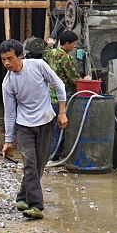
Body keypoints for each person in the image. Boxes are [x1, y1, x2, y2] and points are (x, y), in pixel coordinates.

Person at [0, 39, 68, 219]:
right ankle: (36, 205)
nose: (7, 63)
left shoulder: (38, 66)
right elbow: (9, 113)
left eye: (10, 58)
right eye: (3, 59)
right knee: (29, 163)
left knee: (38, 165)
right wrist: (8, 140)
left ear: (20, 56)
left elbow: (59, 85)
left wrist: (62, 112)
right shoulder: (8, 83)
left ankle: (22, 197)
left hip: (45, 121)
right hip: (24, 126)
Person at [42, 29, 80, 158]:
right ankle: (53, 157)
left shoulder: (51, 53)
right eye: (73, 44)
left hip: (48, 97)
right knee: (60, 130)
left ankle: (46, 154)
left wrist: (50, 44)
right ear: (67, 44)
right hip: (61, 98)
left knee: (51, 130)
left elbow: (45, 53)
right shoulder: (65, 57)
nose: (74, 46)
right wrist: (83, 81)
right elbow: (72, 77)